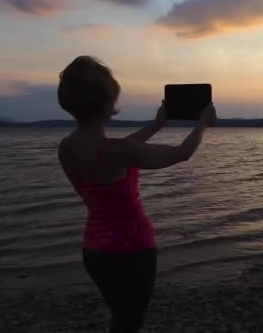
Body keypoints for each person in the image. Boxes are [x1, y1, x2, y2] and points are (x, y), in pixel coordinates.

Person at [56, 56, 216, 332]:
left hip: (94, 251)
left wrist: (156, 125)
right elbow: (182, 153)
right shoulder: (117, 151)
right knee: (129, 323)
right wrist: (202, 124)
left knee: (120, 316)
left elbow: (118, 150)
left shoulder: (67, 147)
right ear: (106, 101)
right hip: (132, 253)